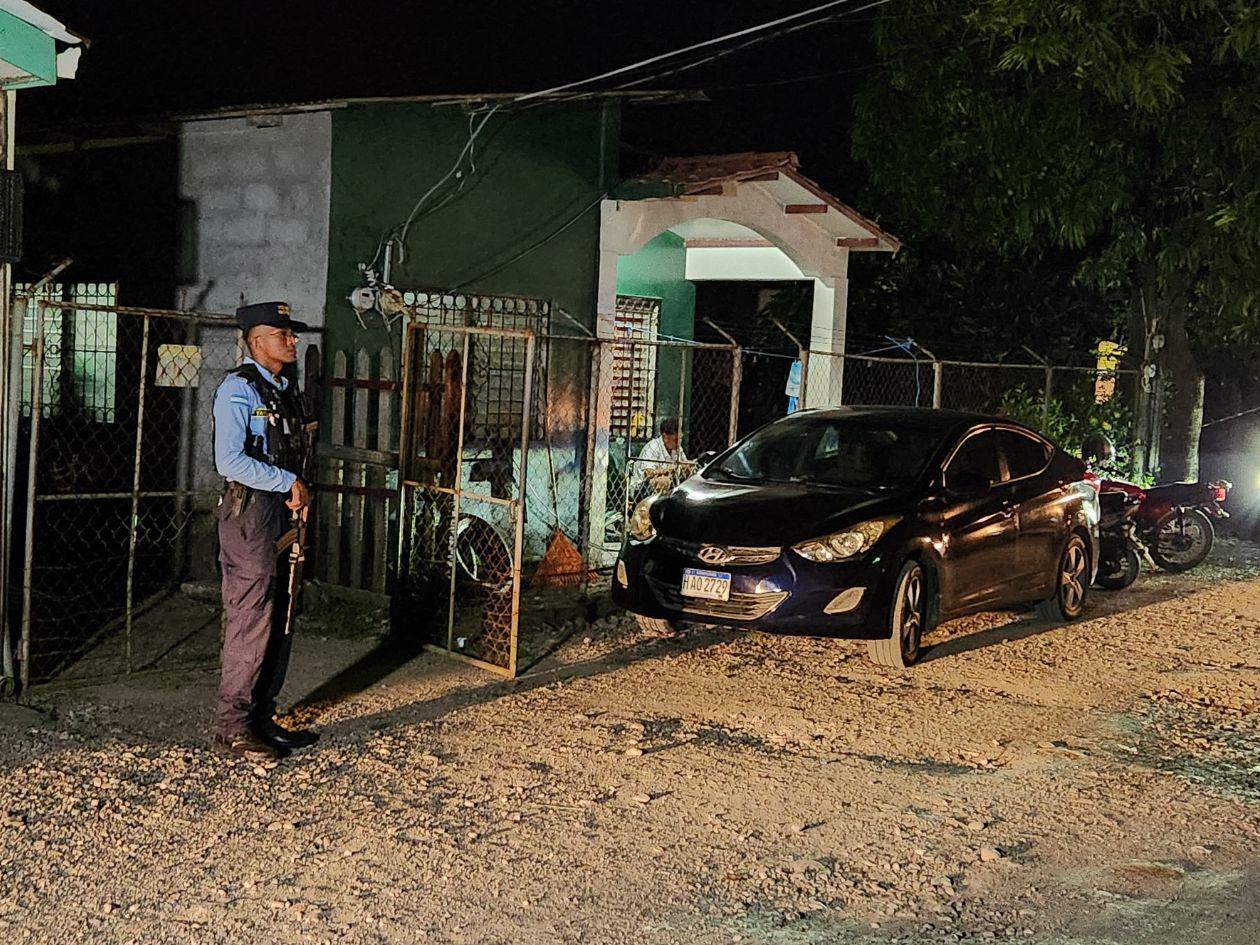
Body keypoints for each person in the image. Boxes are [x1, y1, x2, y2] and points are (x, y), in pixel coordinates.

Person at [211, 301, 316, 762]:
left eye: (292, 334)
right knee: (250, 619)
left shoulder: (284, 390)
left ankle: (261, 717)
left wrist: (297, 493)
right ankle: (232, 729)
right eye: (282, 334)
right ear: (256, 342)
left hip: (282, 511)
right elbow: (229, 460)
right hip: (250, 514)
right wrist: (287, 482)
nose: (292, 341)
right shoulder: (239, 389)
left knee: (282, 614)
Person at [629, 418, 692, 506]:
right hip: (642, 487)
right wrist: (672, 469)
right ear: (665, 437)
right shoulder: (653, 447)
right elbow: (649, 474)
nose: (679, 443)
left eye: (680, 439)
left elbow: (684, 465)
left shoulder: (677, 449)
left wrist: (688, 466)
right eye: (676, 440)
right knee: (663, 481)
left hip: (670, 484)